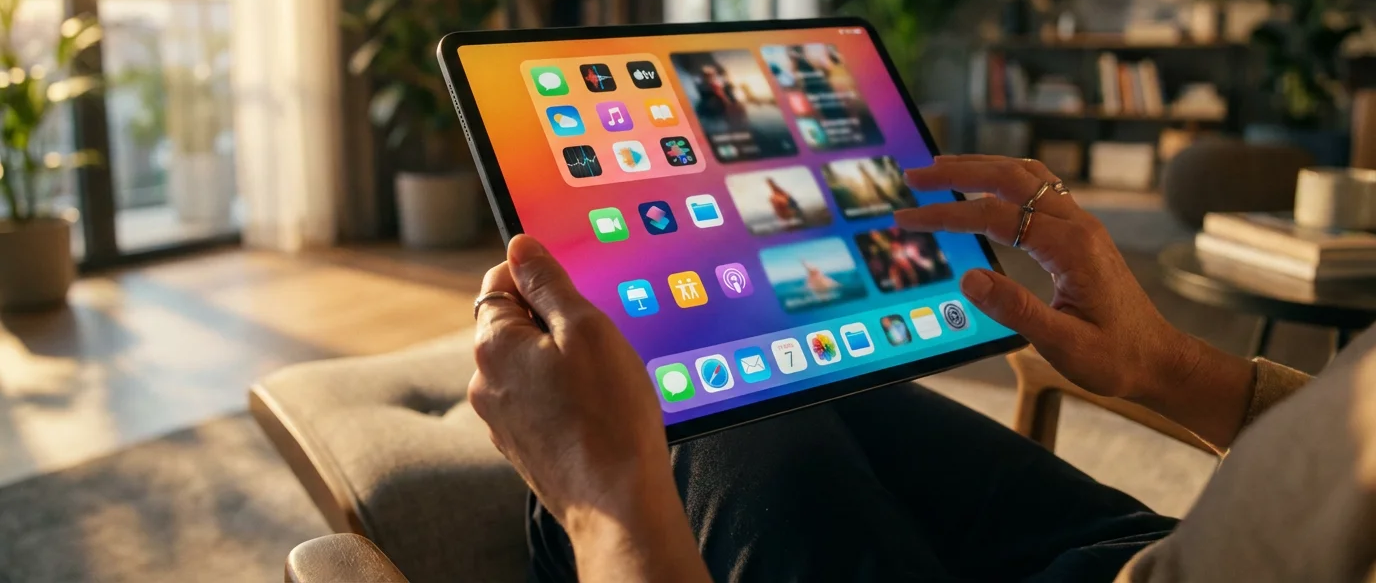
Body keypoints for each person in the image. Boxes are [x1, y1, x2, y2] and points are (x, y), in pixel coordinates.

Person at [467, 155, 1376, 582]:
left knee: (674, 424)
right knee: (782, 387)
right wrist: (1168, 366)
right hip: (1180, 556)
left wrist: (604, 508)